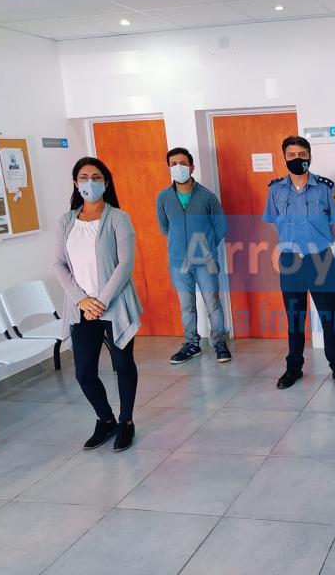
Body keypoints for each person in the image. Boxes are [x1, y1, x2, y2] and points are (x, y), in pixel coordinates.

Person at [54, 157, 143, 451]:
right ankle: (105, 420)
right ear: (75, 183)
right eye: (83, 177)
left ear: (106, 182)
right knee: (84, 373)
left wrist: (101, 301)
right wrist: (82, 300)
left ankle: (126, 421)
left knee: (122, 364)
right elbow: (59, 264)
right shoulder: (66, 221)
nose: (89, 183)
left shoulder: (118, 218)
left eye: (96, 177)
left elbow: (125, 264)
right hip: (81, 307)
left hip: (113, 305)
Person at [263, 136, 335, 390]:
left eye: (302, 154)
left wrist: (320, 243)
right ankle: (293, 369)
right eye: (291, 154)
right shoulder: (276, 189)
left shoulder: (325, 187)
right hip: (290, 262)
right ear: (284, 157)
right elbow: (273, 223)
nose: (297, 159)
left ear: (310, 156)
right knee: (295, 319)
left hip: (320, 259)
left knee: (328, 318)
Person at [157, 147, 231, 364]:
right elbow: (164, 226)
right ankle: (191, 344)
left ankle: (219, 343)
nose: (178, 167)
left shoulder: (207, 196)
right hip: (178, 262)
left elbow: (221, 227)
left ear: (191, 167)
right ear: (169, 168)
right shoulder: (163, 197)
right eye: (173, 164)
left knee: (212, 303)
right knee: (186, 306)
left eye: (182, 163)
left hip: (204, 261)